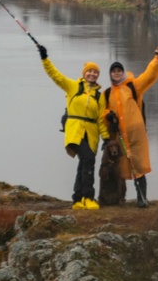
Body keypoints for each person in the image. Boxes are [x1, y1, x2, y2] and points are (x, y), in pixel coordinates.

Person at [37, 42, 108, 209]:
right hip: (74, 131)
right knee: (88, 159)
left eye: (95, 72)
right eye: (90, 71)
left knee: (84, 162)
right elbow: (55, 75)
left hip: (91, 133)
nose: (92, 74)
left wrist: (105, 137)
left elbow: (100, 119)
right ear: (84, 73)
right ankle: (88, 197)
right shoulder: (73, 86)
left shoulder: (100, 96)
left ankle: (77, 199)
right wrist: (44, 58)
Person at [103, 45, 158, 208]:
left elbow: (149, 75)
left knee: (138, 166)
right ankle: (118, 198)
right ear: (110, 74)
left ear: (123, 72)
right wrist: (107, 116)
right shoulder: (107, 94)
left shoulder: (133, 87)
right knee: (120, 169)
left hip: (136, 136)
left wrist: (157, 59)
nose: (116, 73)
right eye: (113, 71)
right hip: (119, 137)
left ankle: (142, 198)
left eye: (119, 70)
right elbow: (102, 113)